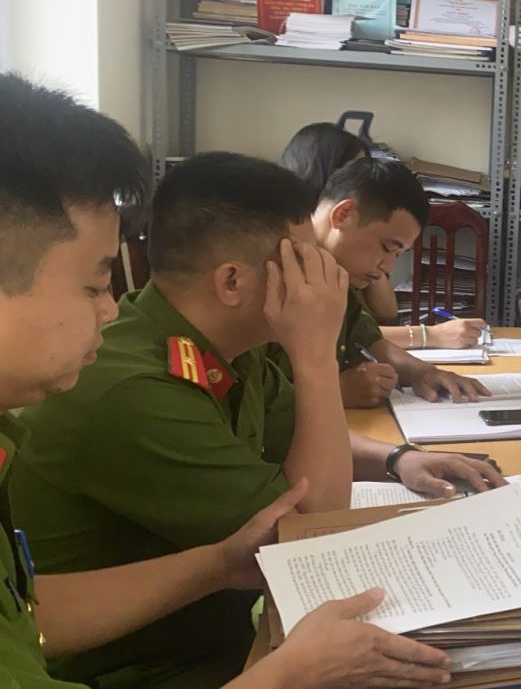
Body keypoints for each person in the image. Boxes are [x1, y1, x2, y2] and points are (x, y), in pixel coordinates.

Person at [0, 74, 455, 688]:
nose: (108, 309)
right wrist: (315, 353)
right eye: (93, 284)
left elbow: (30, 617)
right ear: (234, 282)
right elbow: (315, 523)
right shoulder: (129, 390)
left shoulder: (230, 349)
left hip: (212, 635)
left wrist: (398, 459)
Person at [280, 123, 486, 349]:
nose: (366, 177)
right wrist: (429, 336)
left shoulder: (337, 261)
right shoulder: (286, 259)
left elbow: (384, 311)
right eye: (355, 169)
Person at [307, 157, 492, 408]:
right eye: (387, 247)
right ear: (343, 215)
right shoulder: (275, 275)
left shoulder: (335, 277)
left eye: (397, 254)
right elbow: (259, 397)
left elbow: (369, 341)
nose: (388, 267)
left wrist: (422, 372)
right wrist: (337, 391)